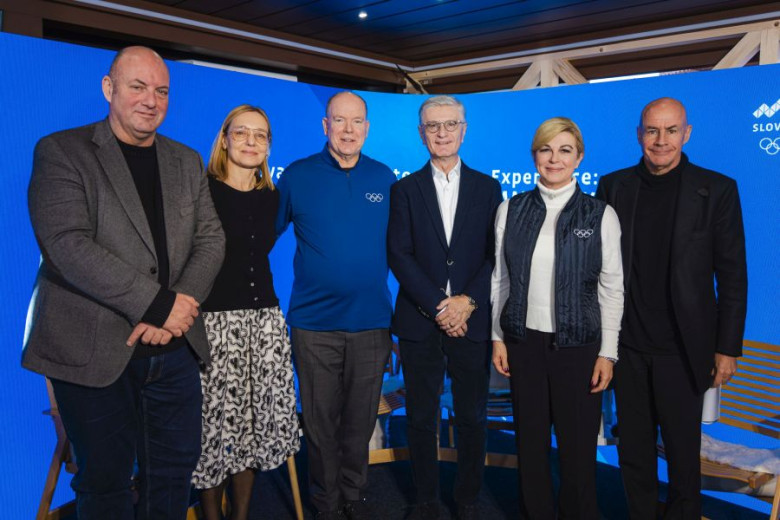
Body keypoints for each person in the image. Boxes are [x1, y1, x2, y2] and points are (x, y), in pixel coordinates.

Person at [23, 46, 225, 519]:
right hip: (92, 350)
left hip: (174, 349)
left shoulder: (187, 160)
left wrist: (175, 311)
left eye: (161, 90)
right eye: (137, 86)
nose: (150, 100)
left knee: (174, 473)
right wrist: (157, 306)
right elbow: (67, 245)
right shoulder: (61, 151)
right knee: (105, 482)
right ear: (108, 88)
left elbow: (211, 240)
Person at [596, 98, 747, 519]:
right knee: (634, 452)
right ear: (639, 133)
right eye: (652, 131)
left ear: (687, 133)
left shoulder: (717, 189)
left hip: (685, 349)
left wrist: (727, 347)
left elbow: (733, 274)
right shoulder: (613, 187)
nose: (661, 141)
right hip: (626, 346)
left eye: (671, 130)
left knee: (682, 455)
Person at [491, 117, 624, 519]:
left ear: (579, 158)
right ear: (534, 156)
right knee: (530, 449)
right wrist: (498, 336)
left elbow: (612, 289)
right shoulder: (510, 209)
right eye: (546, 149)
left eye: (565, 150)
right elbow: (500, 279)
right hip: (524, 345)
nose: (554, 158)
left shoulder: (600, 214)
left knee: (578, 452)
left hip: (580, 349)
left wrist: (609, 353)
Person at [275, 91, 396, 520]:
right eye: (339, 121)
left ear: (367, 127)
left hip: (372, 323)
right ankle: (324, 504)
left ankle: (353, 495)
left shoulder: (384, 178)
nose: (348, 130)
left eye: (356, 122)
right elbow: (259, 239)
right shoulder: (297, 176)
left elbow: (405, 250)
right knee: (321, 424)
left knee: (360, 421)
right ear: (325, 126)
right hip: (313, 325)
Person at [387, 95, 502, 520]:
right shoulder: (404, 189)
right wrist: (440, 306)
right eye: (432, 126)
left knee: (472, 416)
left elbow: (496, 255)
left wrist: (466, 303)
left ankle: (468, 499)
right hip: (421, 322)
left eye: (450, 124)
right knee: (421, 417)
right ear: (421, 134)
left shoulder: (488, 188)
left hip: (471, 321)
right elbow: (398, 254)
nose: (441, 133)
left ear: (464, 129)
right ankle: (425, 500)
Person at [191, 105, 300, 520]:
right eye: (242, 133)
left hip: (265, 325)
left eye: (261, 135)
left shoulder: (273, 198)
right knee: (213, 432)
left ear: (269, 145)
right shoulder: (200, 192)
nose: (252, 142)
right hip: (213, 325)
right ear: (224, 139)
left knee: (254, 429)